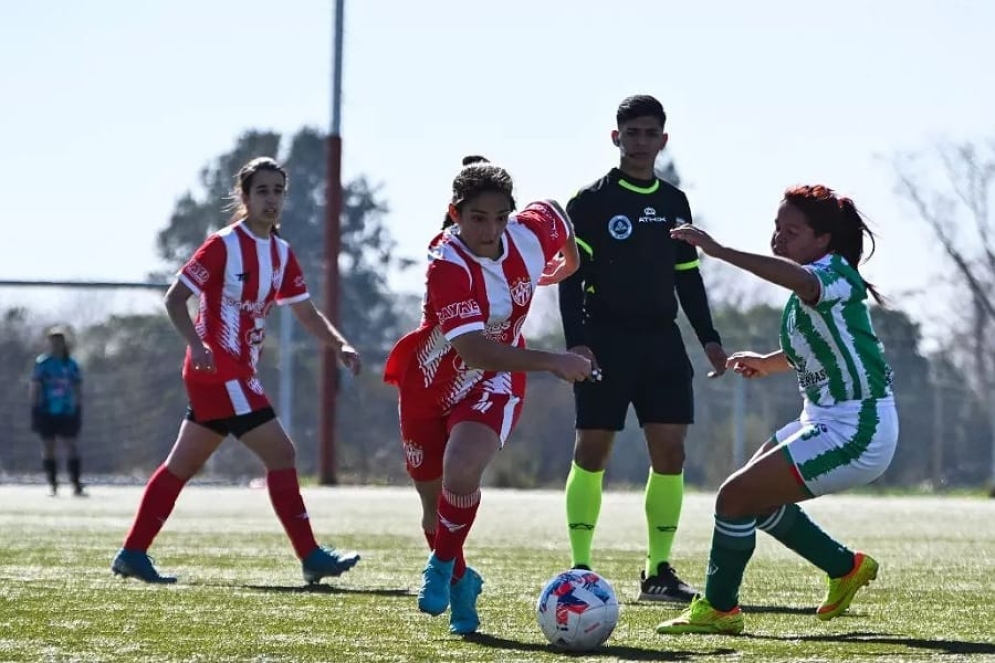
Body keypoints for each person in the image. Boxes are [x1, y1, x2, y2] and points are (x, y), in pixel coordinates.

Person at [656, 184, 898, 635]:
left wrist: (720, 251)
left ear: (822, 239)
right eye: (776, 227)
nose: (779, 238)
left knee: (734, 497)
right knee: (752, 501)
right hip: (824, 419)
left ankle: (720, 609)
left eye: (792, 230)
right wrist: (768, 363)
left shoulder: (833, 275)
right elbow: (825, 345)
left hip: (857, 428)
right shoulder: (815, 279)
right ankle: (845, 568)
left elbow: (803, 283)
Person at [111, 157, 362, 585]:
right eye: (262, 191)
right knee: (282, 453)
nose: (271, 199)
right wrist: (196, 343)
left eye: (278, 191)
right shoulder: (224, 244)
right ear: (244, 198)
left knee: (181, 465)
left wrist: (337, 342)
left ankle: (133, 553)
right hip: (218, 369)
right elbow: (175, 299)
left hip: (235, 372)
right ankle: (311, 556)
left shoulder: (281, 253)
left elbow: (304, 310)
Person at [383, 156, 592, 635]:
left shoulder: (528, 233)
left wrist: (567, 266)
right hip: (430, 380)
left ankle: (438, 567)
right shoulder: (446, 264)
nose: (490, 230)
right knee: (433, 506)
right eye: (478, 218)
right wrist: (553, 361)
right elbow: (474, 350)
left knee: (462, 467)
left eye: (500, 218)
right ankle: (462, 585)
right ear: (455, 214)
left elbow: (558, 214)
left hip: (493, 381)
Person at [558, 95, 727, 602]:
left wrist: (711, 341)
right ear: (616, 137)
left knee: (671, 452)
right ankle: (580, 569)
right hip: (605, 342)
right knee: (593, 451)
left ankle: (658, 571)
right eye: (631, 133)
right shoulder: (589, 203)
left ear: (663, 140)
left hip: (662, 344)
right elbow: (569, 280)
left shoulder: (675, 202)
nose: (640, 142)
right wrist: (577, 345)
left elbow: (688, 279)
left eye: (650, 133)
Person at [30, 327, 84, 497]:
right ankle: (53, 484)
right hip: (46, 411)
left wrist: (78, 408)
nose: (55, 345)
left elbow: (77, 387)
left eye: (58, 341)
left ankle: (75, 483)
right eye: (52, 341)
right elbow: (35, 386)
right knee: (48, 447)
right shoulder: (43, 363)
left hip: (67, 411)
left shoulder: (71, 364)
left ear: (63, 343)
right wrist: (34, 408)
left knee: (71, 446)